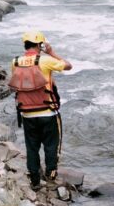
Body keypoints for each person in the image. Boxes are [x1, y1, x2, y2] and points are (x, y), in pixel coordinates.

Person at [9, 31, 73, 191]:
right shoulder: (45, 60)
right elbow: (68, 65)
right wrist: (51, 52)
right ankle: (50, 177)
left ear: (25, 44)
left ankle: (35, 180)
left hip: (27, 113)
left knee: (32, 147)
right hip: (48, 112)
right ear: (39, 45)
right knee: (51, 146)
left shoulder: (15, 62)